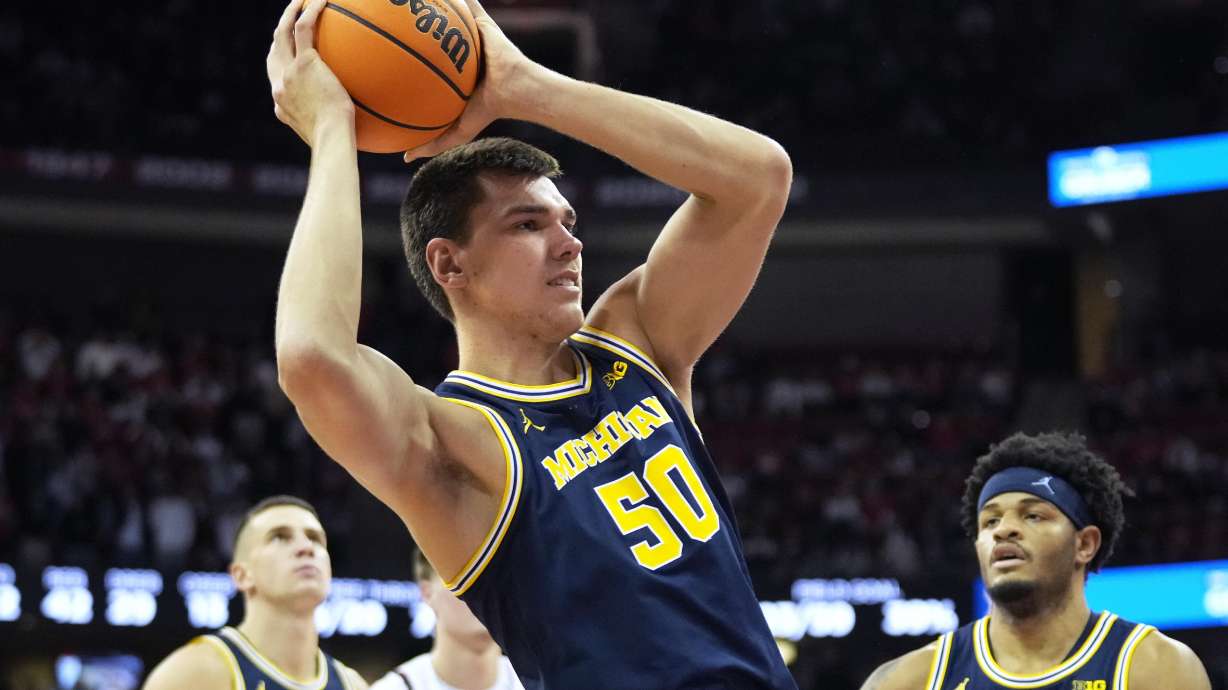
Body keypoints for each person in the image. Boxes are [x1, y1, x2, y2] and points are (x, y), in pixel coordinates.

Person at [265, 0, 796, 686]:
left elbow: (758, 179)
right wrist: (333, 130)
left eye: (567, 220)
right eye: (527, 225)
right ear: (450, 265)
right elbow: (312, 356)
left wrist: (526, 87)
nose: (570, 244)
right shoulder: (452, 441)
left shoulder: (636, 343)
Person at [859, 432, 1211, 690]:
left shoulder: (1154, 669)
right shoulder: (909, 680)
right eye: (990, 521)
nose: (1004, 531)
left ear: (1085, 544)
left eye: (1032, 516)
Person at [143, 496, 367, 690]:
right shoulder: (196, 672)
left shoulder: (353, 684)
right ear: (241, 575)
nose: (306, 547)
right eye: (279, 537)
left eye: (315, 539)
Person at [371, 548, 522, 690]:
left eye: (496, 576)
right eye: (467, 576)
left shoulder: (538, 680)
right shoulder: (393, 686)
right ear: (427, 592)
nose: (483, 593)